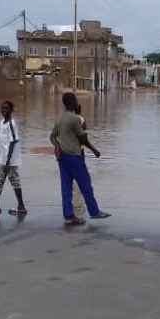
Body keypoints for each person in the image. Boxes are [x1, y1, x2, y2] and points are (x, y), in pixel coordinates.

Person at [50, 92, 108, 227]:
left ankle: (69, 216)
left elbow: (52, 136)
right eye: (75, 100)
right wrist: (94, 150)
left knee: (66, 186)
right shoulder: (74, 119)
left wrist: (57, 146)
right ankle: (94, 211)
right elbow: (83, 138)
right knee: (85, 184)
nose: (77, 102)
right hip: (73, 155)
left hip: (62, 156)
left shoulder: (60, 118)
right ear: (71, 102)